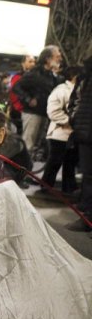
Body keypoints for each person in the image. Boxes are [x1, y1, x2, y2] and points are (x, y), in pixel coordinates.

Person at [12, 45, 63, 155]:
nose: (60, 59)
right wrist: (28, 99)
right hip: (32, 114)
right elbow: (16, 87)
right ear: (48, 59)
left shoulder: (52, 75)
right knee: (27, 145)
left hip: (43, 113)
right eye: (57, 56)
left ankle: (25, 169)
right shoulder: (34, 73)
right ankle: (19, 170)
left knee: (33, 146)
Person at [39, 66, 81, 195]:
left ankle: (68, 188)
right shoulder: (61, 90)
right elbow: (53, 111)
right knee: (55, 161)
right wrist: (69, 121)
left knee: (70, 162)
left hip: (70, 133)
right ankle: (46, 186)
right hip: (59, 133)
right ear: (74, 76)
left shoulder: (77, 90)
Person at [67, 48, 92, 233]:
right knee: (88, 176)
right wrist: (75, 121)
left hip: (85, 131)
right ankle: (87, 217)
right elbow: (75, 100)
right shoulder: (87, 73)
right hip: (86, 131)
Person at [8, 55, 36, 134]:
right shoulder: (17, 77)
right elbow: (13, 94)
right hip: (19, 111)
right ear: (23, 64)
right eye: (30, 62)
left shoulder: (36, 76)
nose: (33, 64)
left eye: (34, 62)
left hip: (31, 111)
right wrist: (20, 107)